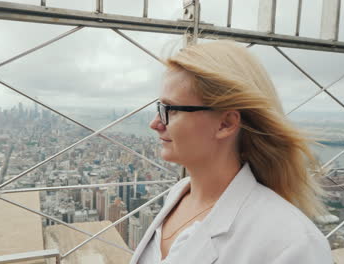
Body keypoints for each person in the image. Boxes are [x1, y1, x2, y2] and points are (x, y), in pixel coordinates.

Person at [130, 40, 333, 264]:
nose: (155, 123)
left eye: (171, 109)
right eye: (159, 107)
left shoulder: (292, 243)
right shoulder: (178, 195)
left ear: (225, 124)